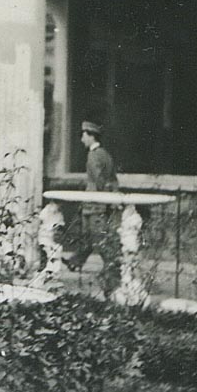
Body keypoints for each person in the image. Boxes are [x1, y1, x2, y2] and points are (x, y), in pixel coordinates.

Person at [63, 121, 120, 282]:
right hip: (95, 203)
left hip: (95, 204)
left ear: (91, 136)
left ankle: (113, 267)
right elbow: (113, 179)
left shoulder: (94, 155)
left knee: (98, 238)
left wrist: (101, 198)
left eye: (84, 135)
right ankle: (75, 261)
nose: (82, 139)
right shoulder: (105, 154)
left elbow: (99, 180)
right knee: (87, 237)